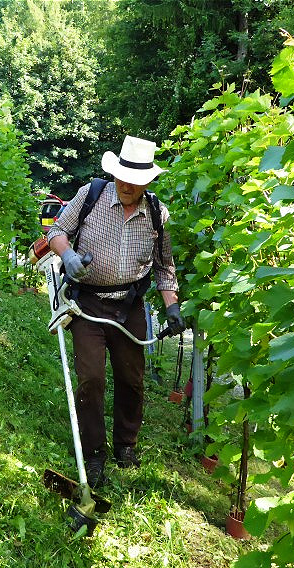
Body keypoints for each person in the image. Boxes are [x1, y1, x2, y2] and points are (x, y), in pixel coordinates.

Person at [46, 135, 184, 489]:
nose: (126, 185)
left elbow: (164, 267)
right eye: (122, 176)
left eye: (134, 181)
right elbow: (58, 231)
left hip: (129, 307)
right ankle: (93, 454)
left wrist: (171, 308)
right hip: (86, 303)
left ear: (147, 182)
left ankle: (126, 445)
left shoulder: (157, 214)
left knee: (131, 379)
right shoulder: (90, 195)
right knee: (90, 378)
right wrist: (69, 256)